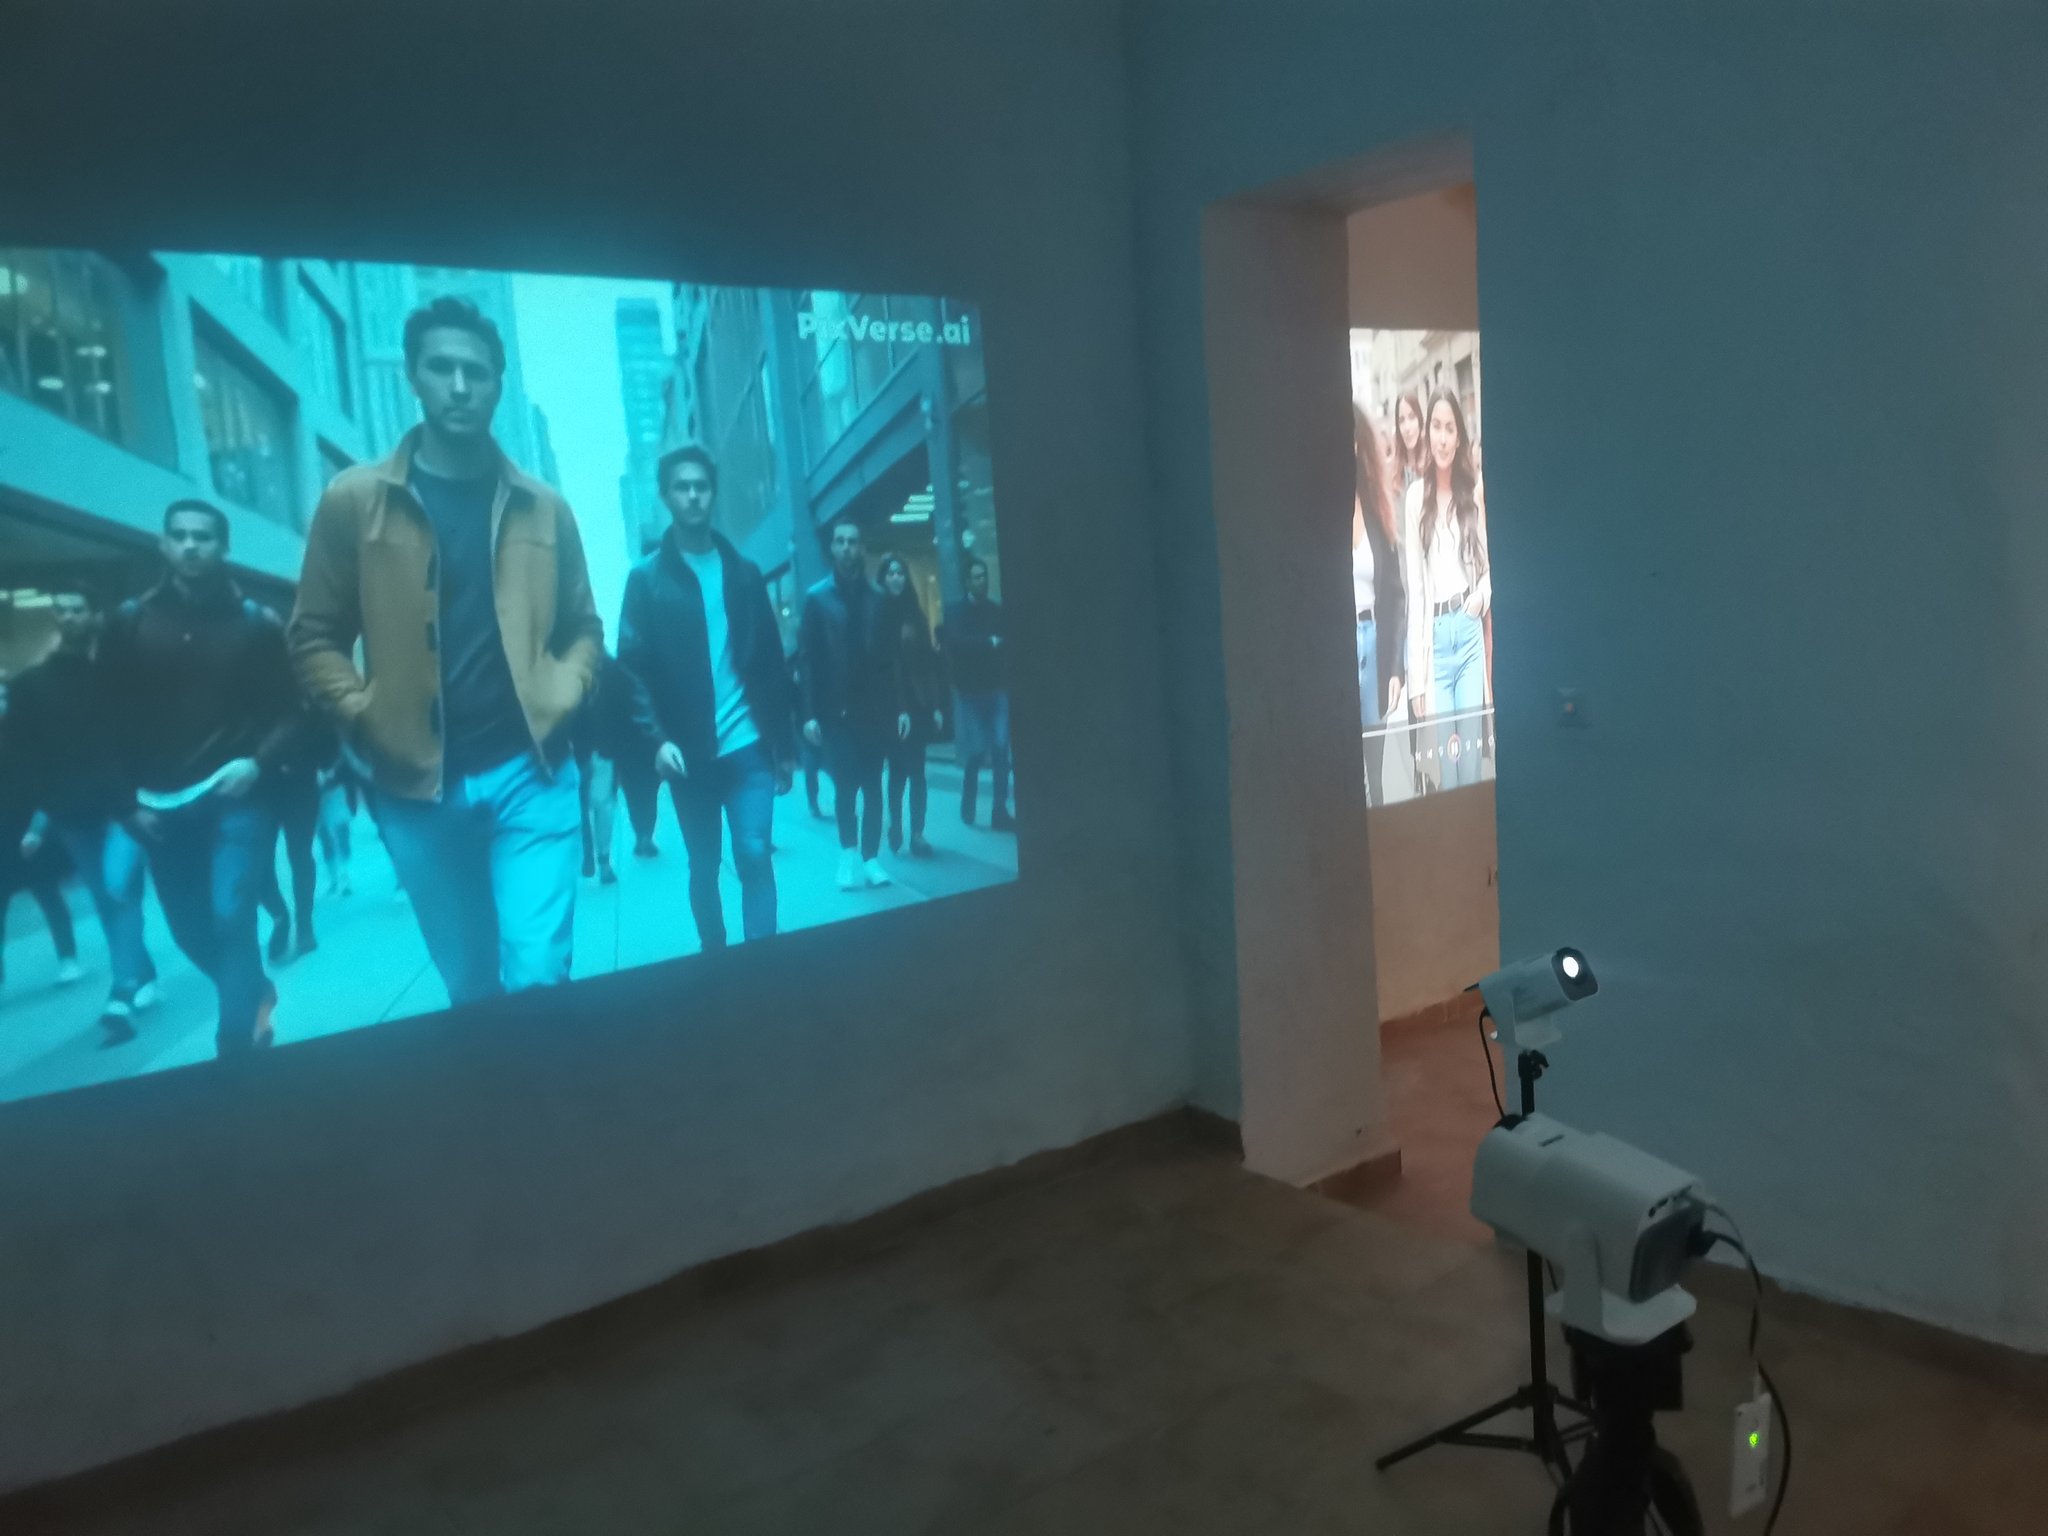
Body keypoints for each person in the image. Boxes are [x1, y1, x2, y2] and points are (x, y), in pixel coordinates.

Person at [289, 296, 602, 1006]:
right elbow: (313, 634)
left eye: (477, 372)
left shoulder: (545, 507)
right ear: (413, 377)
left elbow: (584, 625)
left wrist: (566, 688)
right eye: (441, 369)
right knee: (470, 985)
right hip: (414, 789)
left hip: (532, 771)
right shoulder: (353, 501)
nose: (460, 387)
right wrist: (363, 712)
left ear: (499, 384)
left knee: (538, 975)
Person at [99, 500, 301, 1053]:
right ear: (163, 544)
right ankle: (255, 992)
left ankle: (234, 1052)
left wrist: (257, 762)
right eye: (180, 535)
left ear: (223, 546)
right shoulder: (129, 622)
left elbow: (291, 712)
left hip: (237, 796)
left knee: (232, 916)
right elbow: (102, 719)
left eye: (203, 536)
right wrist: (125, 806)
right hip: (158, 805)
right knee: (190, 930)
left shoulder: (256, 623)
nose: (191, 545)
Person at [619, 444, 797, 946]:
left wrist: (783, 746)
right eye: (683, 487)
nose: (693, 495)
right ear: (666, 496)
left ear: (713, 494)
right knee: (704, 865)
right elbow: (631, 670)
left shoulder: (744, 574)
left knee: (755, 853)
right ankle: (717, 958)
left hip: (747, 744)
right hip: (688, 755)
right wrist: (656, 741)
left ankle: (761, 962)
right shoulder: (646, 580)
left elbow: (771, 663)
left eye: (701, 486)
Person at [7, 588, 161, 1036]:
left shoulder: (113, 680)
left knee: (118, 891)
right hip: (73, 813)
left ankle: (123, 990)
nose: (69, 617)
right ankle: (143, 975)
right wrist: (44, 804)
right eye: (61, 610)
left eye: (77, 609)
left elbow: (137, 739)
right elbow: (21, 753)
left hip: (122, 808)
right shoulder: (31, 686)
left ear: (93, 616)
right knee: (109, 898)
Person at [800, 518, 908, 891]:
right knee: (846, 785)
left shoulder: (879, 598)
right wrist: (808, 713)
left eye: (853, 541)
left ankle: (871, 859)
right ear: (832, 548)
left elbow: (892, 657)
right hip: (836, 711)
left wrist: (901, 706)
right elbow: (808, 660)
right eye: (840, 541)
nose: (847, 548)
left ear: (861, 548)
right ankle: (847, 855)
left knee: (873, 785)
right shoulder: (817, 598)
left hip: (875, 709)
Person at [1401, 389, 1492, 791]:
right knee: (1447, 772)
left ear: (1458, 438)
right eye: (1436, 427)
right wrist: (1416, 678)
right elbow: (1416, 592)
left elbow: (1490, 569)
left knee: (1470, 765)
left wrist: (1480, 598)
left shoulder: (1471, 494)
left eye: (1449, 428)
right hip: (1435, 645)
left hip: (1468, 635)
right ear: (1428, 433)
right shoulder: (1414, 500)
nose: (1441, 438)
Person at [0, 680, 83, 999]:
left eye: (4, 695)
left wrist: (37, 828)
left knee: (47, 893)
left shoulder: (27, 737)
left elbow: (47, 784)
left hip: (28, 827)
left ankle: (68, 957)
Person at [1352, 406, 1408, 807]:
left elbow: (1395, 594)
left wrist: (1395, 668)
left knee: (1375, 776)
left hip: (1373, 644)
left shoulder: (1375, 509)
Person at [876, 555, 944, 857]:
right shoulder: (879, 613)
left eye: (900, 572)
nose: (896, 578)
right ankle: (896, 824)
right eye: (891, 573)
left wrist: (936, 705)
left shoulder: (915, 614)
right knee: (898, 771)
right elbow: (885, 667)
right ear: (883, 578)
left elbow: (928, 662)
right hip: (892, 705)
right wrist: (899, 708)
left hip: (918, 702)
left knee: (917, 771)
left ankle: (917, 833)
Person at [941, 557, 1013, 830]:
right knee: (977, 751)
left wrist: (986, 647)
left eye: (984, 576)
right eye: (977, 577)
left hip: (996, 689)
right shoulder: (955, 612)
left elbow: (1005, 644)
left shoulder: (996, 610)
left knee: (1001, 749)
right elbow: (956, 644)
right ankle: (968, 802)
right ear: (967, 581)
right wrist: (989, 643)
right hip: (969, 693)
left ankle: (999, 811)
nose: (982, 581)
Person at [257, 704, 332, 960]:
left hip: (300, 780)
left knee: (300, 854)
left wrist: (323, 761)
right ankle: (280, 916)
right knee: (260, 862)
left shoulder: (299, 689)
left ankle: (304, 923)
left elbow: (322, 724)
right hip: (259, 785)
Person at [1394, 391, 1429, 493]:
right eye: (1401, 420)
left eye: (1412, 417)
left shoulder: (1431, 463)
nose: (1407, 428)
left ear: (1419, 420)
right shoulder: (1395, 472)